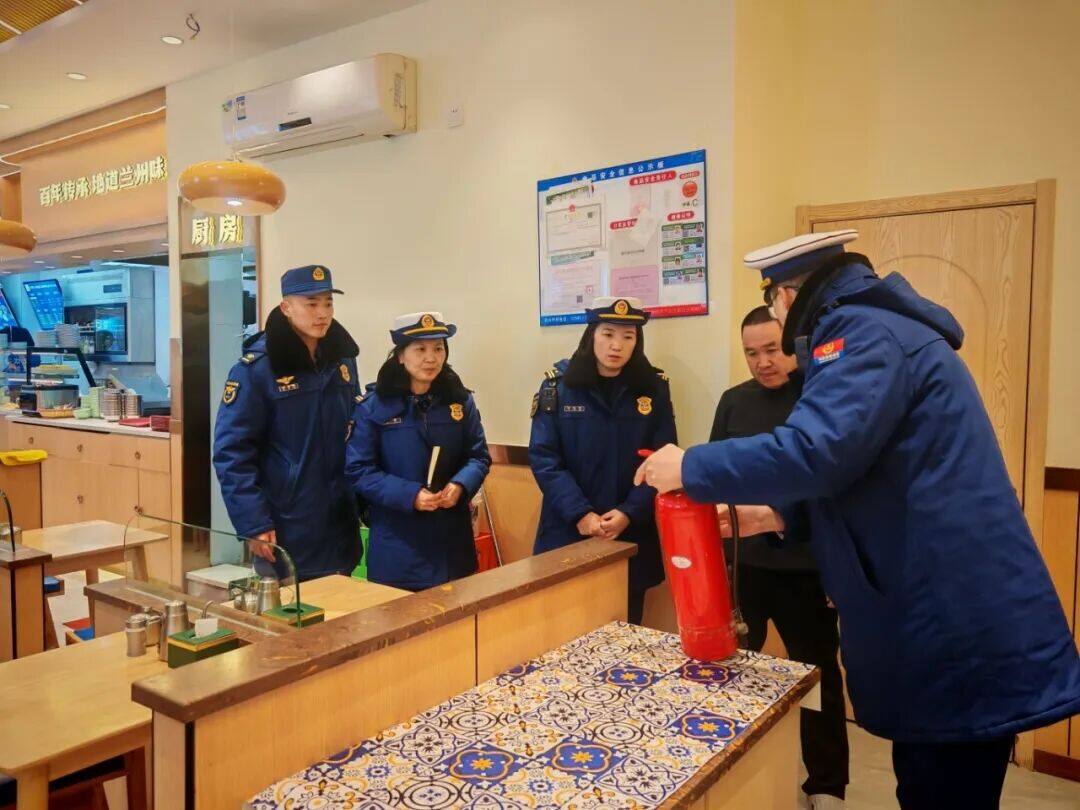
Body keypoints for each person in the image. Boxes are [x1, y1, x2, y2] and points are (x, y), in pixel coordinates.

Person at [635, 230, 1080, 809]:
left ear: (786, 298)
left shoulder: (860, 334)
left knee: (943, 787)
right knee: (928, 779)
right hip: (944, 611)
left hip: (948, 621)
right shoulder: (879, 326)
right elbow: (867, 469)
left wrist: (689, 465)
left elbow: (816, 450)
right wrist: (773, 514)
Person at [711, 305, 847, 808]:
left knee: (818, 677)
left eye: (772, 349)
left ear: (793, 345)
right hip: (744, 567)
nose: (762, 362)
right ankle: (728, 775)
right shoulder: (733, 402)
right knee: (727, 673)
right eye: (751, 353)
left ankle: (827, 784)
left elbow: (835, 487)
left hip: (806, 567)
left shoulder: (819, 397)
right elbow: (715, 478)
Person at [529, 296, 676, 625]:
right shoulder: (558, 387)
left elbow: (663, 459)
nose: (616, 345)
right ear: (591, 335)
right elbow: (544, 458)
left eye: (628, 336)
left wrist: (628, 512)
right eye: (608, 334)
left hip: (630, 532)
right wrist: (581, 514)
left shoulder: (653, 389)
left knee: (624, 630)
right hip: (568, 531)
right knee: (563, 631)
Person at [213, 264, 362, 582]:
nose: (322, 313)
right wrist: (252, 522)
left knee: (343, 607)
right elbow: (232, 453)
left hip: (340, 523)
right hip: (286, 524)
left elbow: (356, 432)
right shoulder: (256, 369)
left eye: (328, 303)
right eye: (311, 304)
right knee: (290, 610)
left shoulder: (342, 360)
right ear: (286, 307)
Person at [345, 312, 490, 591]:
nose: (431, 358)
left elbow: (479, 456)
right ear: (400, 355)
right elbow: (359, 470)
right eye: (420, 349)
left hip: (452, 546)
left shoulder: (459, 401)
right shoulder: (374, 406)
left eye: (438, 349)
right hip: (399, 548)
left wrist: (461, 485)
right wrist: (410, 495)